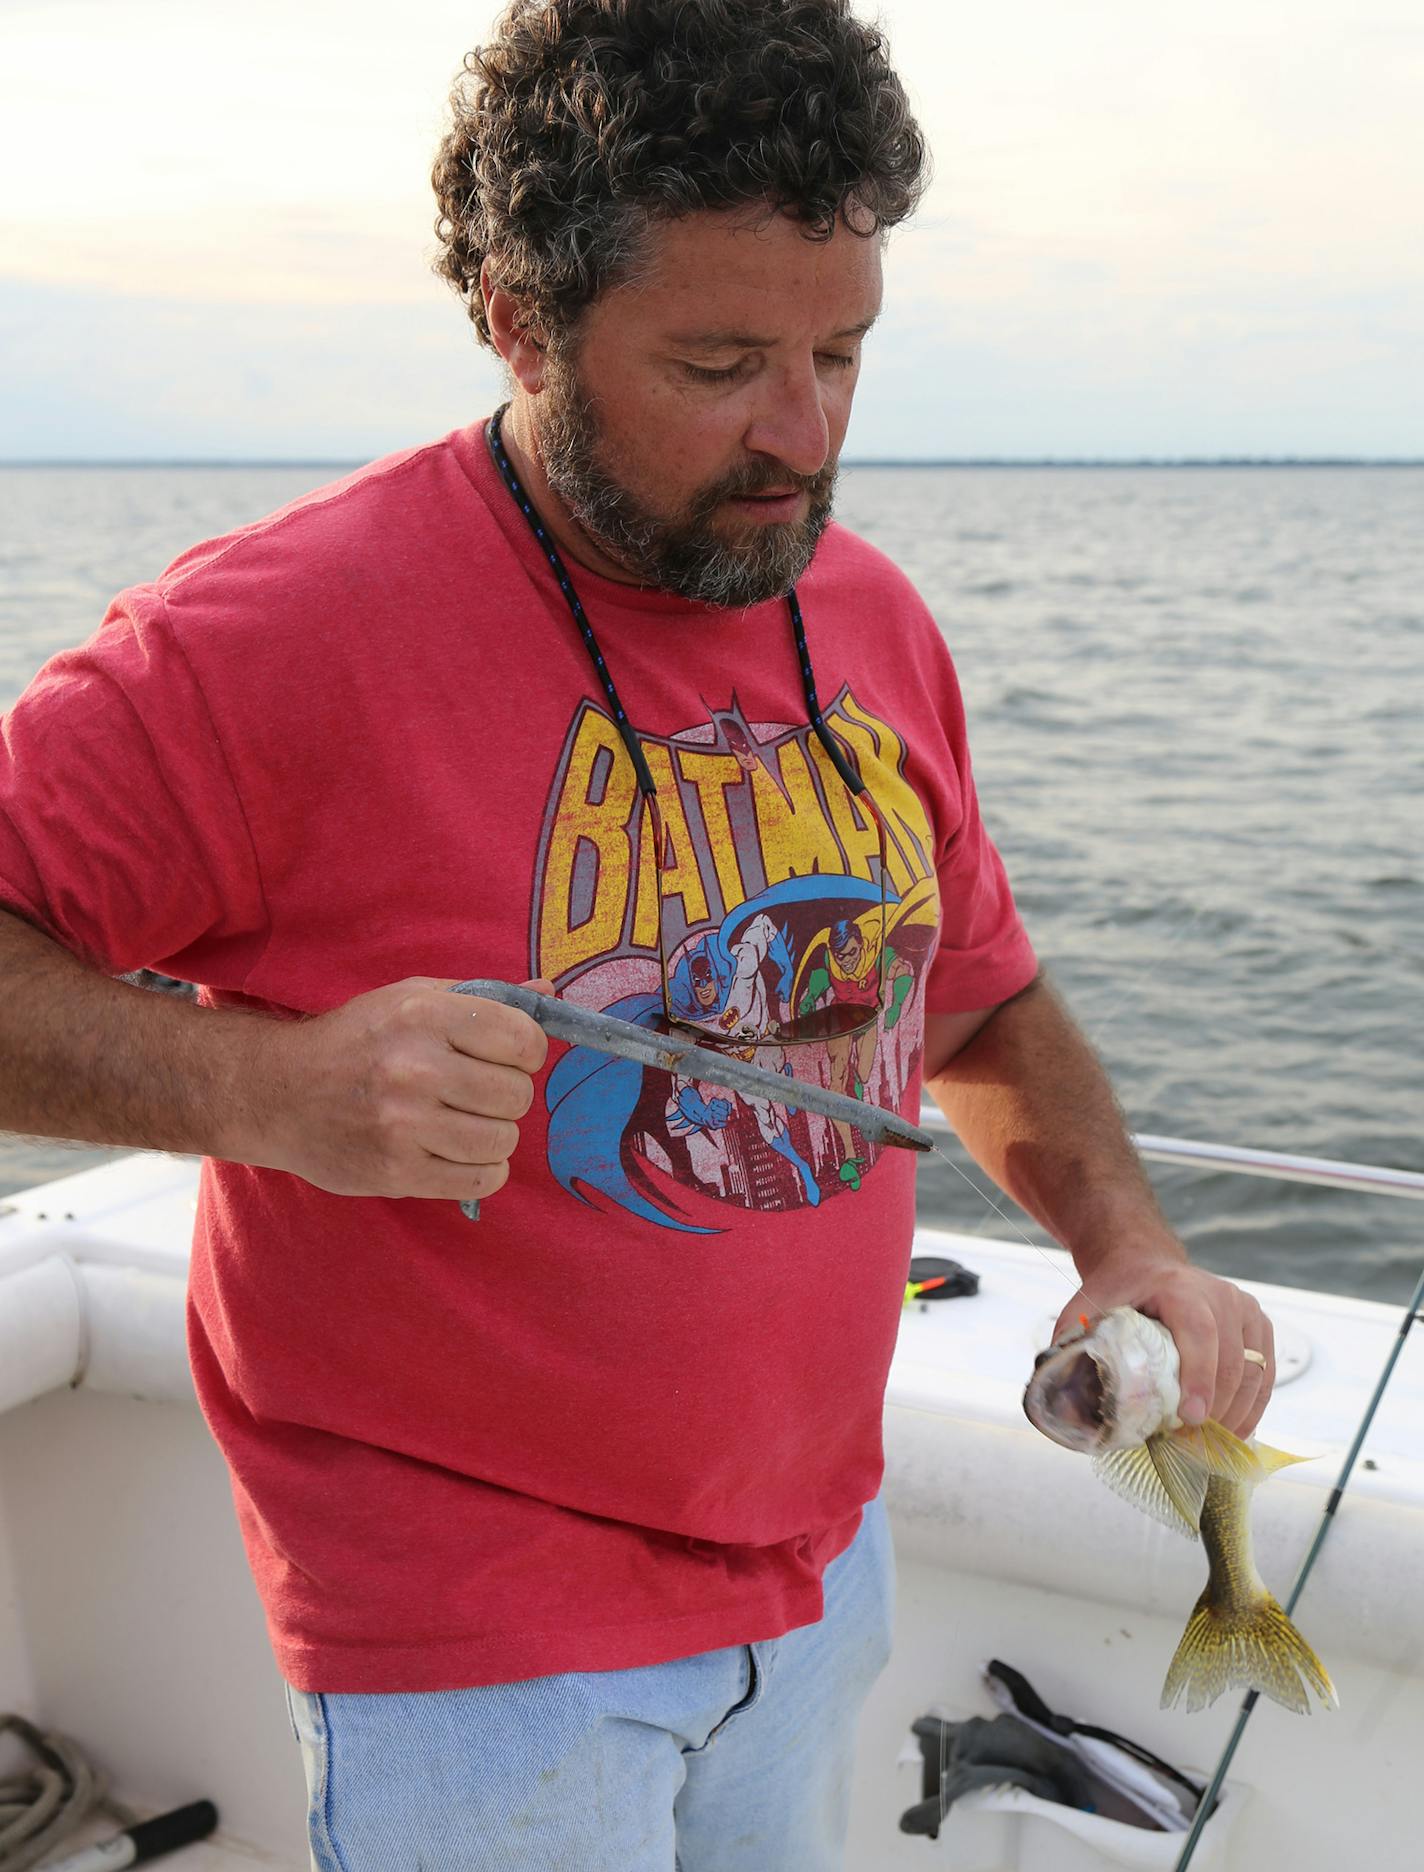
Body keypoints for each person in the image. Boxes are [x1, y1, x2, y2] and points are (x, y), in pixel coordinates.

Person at [0, 3, 1277, 1867]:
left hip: (815, 1565)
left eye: (844, 352)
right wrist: (265, 1090)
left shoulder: (870, 613)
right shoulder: (267, 642)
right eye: (720, 360)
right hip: (470, 1628)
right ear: (519, 319)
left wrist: (1127, 1242)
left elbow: (974, 989)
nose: (803, 432)